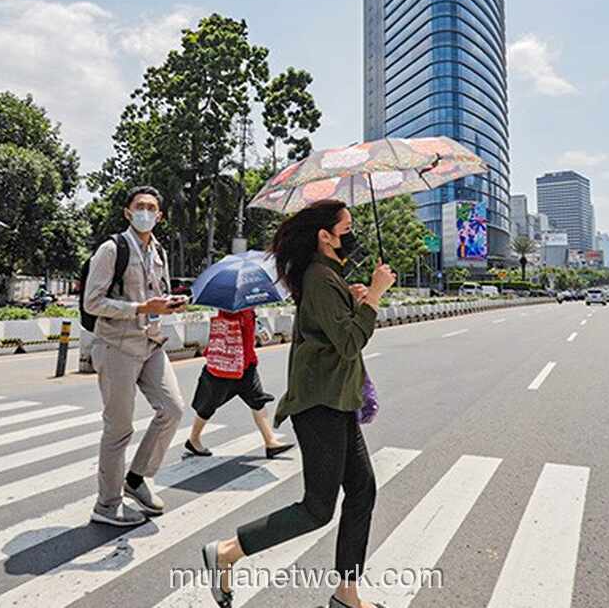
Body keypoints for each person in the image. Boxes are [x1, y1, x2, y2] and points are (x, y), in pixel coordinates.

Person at [201, 200, 396, 608]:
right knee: (317, 509)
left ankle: (347, 594)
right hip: (319, 405)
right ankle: (226, 553)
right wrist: (375, 295)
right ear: (325, 236)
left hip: (336, 401)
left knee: (362, 491)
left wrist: (358, 299)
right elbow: (348, 343)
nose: (351, 234)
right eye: (346, 228)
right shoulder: (320, 277)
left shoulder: (329, 277)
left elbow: (335, 331)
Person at [83, 185, 186, 527]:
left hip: (151, 342)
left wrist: (168, 304)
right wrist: (141, 307)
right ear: (127, 213)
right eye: (139, 206)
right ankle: (107, 505)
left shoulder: (158, 252)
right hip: (117, 347)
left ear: (159, 216)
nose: (145, 212)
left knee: (172, 409)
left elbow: (157, 295)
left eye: (151, 208)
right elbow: (92, 303)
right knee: (119, 429)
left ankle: (138, 477)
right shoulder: (112, 249)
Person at [184, 307, 294, 459]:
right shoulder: (230, 308)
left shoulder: (249, 309)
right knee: (208, 405)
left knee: (258, 402)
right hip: (225, 366)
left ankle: (271, 442)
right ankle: (193, 439)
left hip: (246, 365)